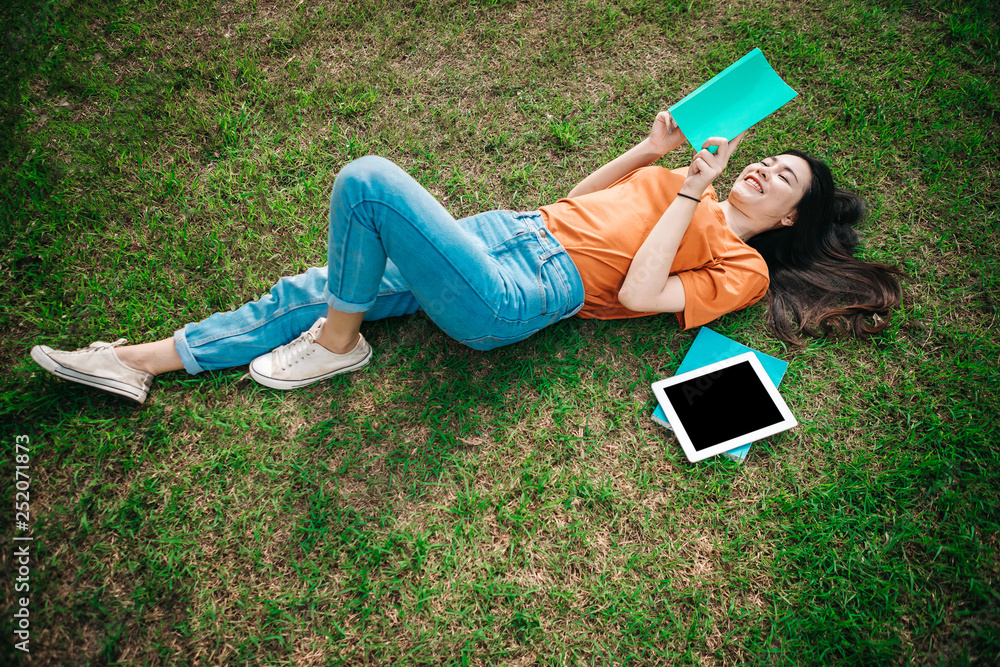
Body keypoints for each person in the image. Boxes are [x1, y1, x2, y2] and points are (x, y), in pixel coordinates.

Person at [30, 111, 901, 404]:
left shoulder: (742, 270)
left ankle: (341, 344)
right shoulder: (688, 185)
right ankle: (140, 361)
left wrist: (684, 195)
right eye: (768, 156)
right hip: (510, 231)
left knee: (367, 185)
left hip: (524, 291)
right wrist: (647, 151)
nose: (761, 165)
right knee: (324, 282)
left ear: (791, 216)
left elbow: (638, 291)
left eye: (780, 175)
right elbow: (576, 204)